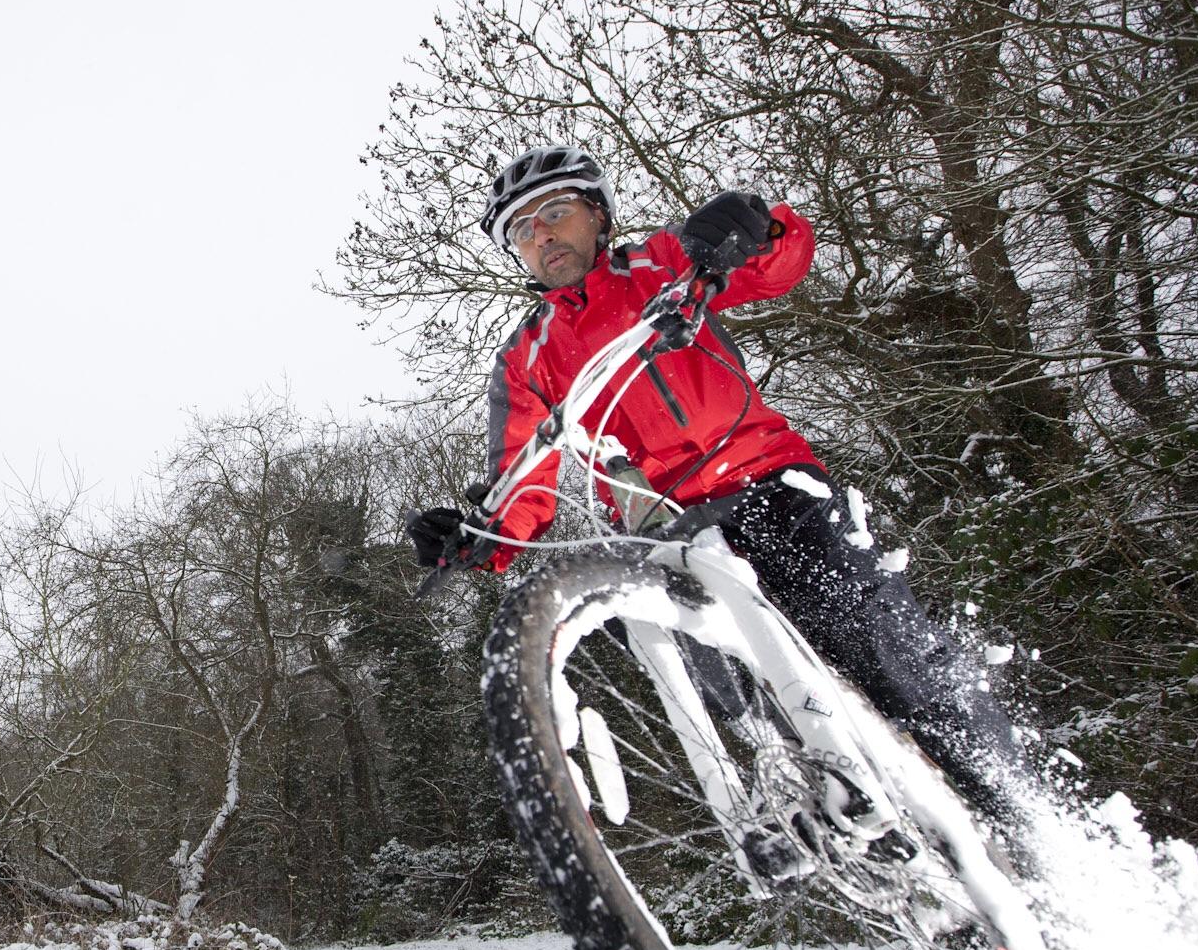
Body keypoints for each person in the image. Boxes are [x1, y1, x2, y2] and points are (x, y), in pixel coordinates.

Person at [406, 144, 1025, 819]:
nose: (543, 236)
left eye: (555, 213)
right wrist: (476, 537)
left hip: (767, 486)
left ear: (599, 214)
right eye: (523, 231)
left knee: (883, 645)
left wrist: (752, 226)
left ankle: (1022, 812)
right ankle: (876, 850)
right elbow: (523, 479)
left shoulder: (663, 264)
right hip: (664, 536)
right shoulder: (527, 357)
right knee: (750, 701)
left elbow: (780, 262)